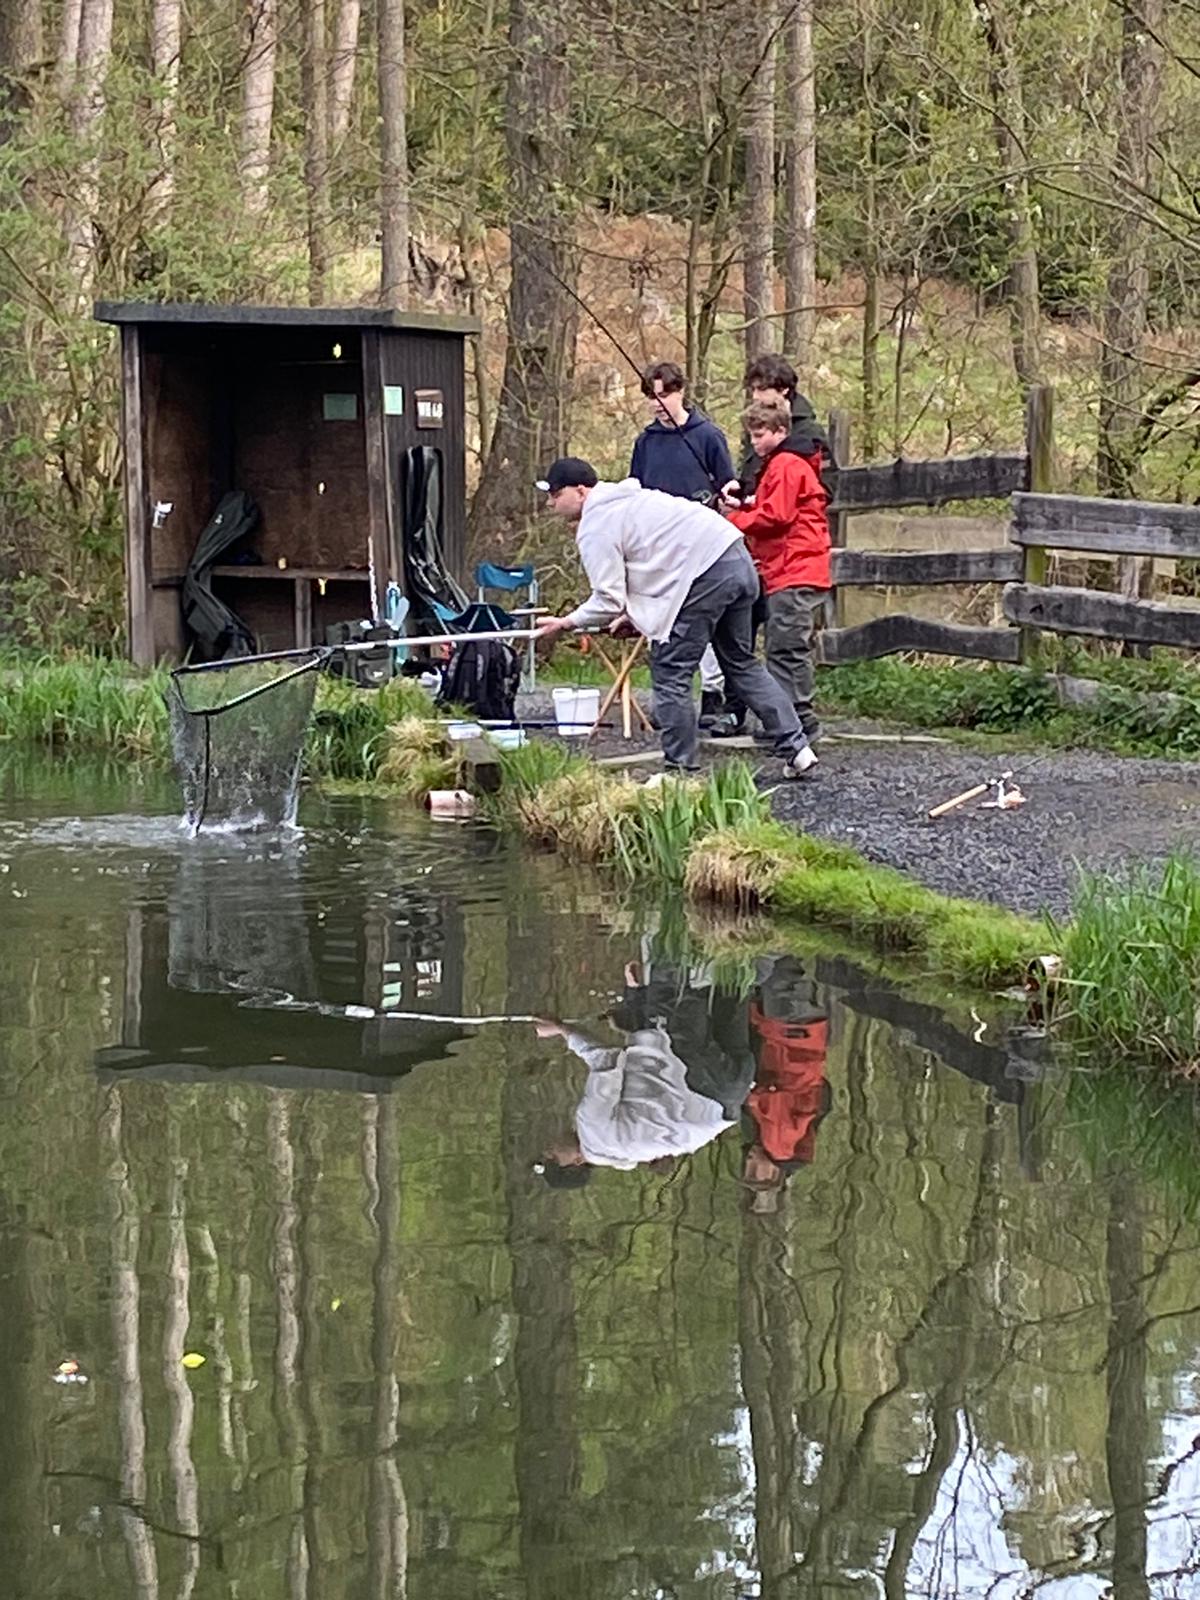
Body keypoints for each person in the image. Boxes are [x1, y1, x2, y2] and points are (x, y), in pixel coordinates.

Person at [533, 457, 817, 776]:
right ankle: (797, 748)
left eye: (556, 494)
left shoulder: (596, 525)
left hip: (705, 574)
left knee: (671, 671)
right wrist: (636, 615)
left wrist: (565, 623)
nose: (550, 502)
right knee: (741, 662)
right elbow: (657, 565)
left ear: (581, 492)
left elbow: (608, 599)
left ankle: (679, 771)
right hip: (737, 558)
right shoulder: (633, 498)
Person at [536, 961, 754, 1182]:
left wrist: (636, 995)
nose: (548, 1150)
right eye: (553, 1158)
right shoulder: (593, 1132)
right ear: (577, 1162)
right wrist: (561, 1029)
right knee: (670, 967)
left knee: (735, 980)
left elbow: (641, 1074)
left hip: (731, 1094)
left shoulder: (628, 1154)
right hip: (691, 1074)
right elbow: (607, 1060)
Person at [630, 360, 738, 732]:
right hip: (657, 547)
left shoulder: (707, 436)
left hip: (700, 544)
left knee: (701, 617)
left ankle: (713, 693)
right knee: (661, 617)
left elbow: (728, 487)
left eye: (664, 395)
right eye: (651, 397)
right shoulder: (645, 442)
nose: (657, 403)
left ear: (680, 393)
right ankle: (669, 698)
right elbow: (636, 490)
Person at [726, 400, 831, 742]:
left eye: (759, 435)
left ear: (781, 431)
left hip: (795, 567)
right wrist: (746, 505)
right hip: (789, 567)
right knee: (782, 643)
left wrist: (735, 521)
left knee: (786, 646)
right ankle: (788, 719)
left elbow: (776, 516)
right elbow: (769, 507)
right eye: (752, 435)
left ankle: (797, 720)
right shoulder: (780, 465)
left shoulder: (786, 464)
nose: (754, 442)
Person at [740, 956, 831, 1215]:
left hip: (794, 1037)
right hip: (789, 1034)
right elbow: (775, 1098)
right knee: (778, 958)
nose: (751, 1165)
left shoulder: (782, 1144)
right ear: (776, 1174)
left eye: (749, 1173)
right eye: (760, 1174)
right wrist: (747, 1096)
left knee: (777, 963)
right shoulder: (779, 1146)